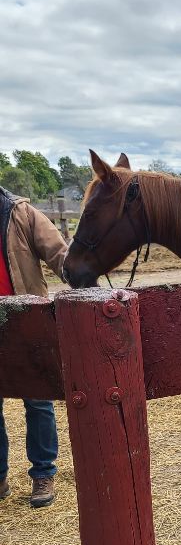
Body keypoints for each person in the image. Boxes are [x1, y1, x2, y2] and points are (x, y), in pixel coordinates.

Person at [0, 185, 67, 508]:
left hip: (25, 320)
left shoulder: (21, 213)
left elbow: (57, 251)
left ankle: (43, 473)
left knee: (38, 400)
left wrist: (86, 270)